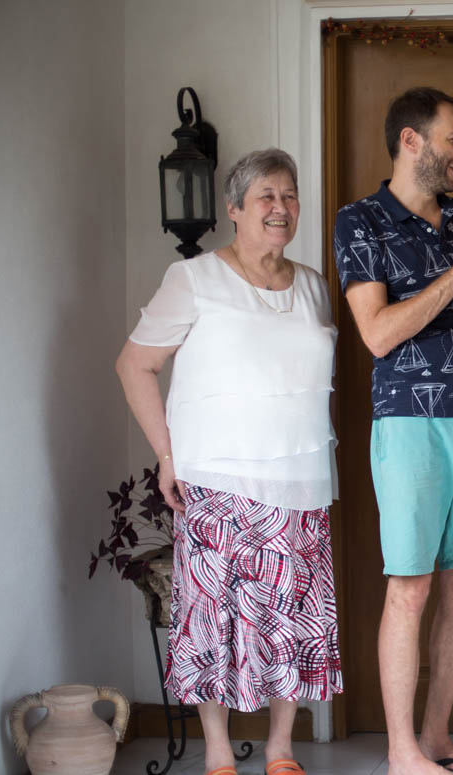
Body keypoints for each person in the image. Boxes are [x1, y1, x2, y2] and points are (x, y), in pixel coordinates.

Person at [116, 148, 342, 775]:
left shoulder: (314, 286)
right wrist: (166, 453)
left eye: (290, 195)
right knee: (215, 614)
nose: (280, 207)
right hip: (216, 479)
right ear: (234, 209)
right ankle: (218, 751)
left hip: (301, 480)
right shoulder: (193, 278)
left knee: (294, 613)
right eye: (265, 196)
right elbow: (134, 364)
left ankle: (280, 749)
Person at [332, 87, 453, 775]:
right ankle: (399, 752)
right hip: (409, 426)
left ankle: (438, 737)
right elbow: (379, 334)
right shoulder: (360, 221)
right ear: (410, 140)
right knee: (410, 585)